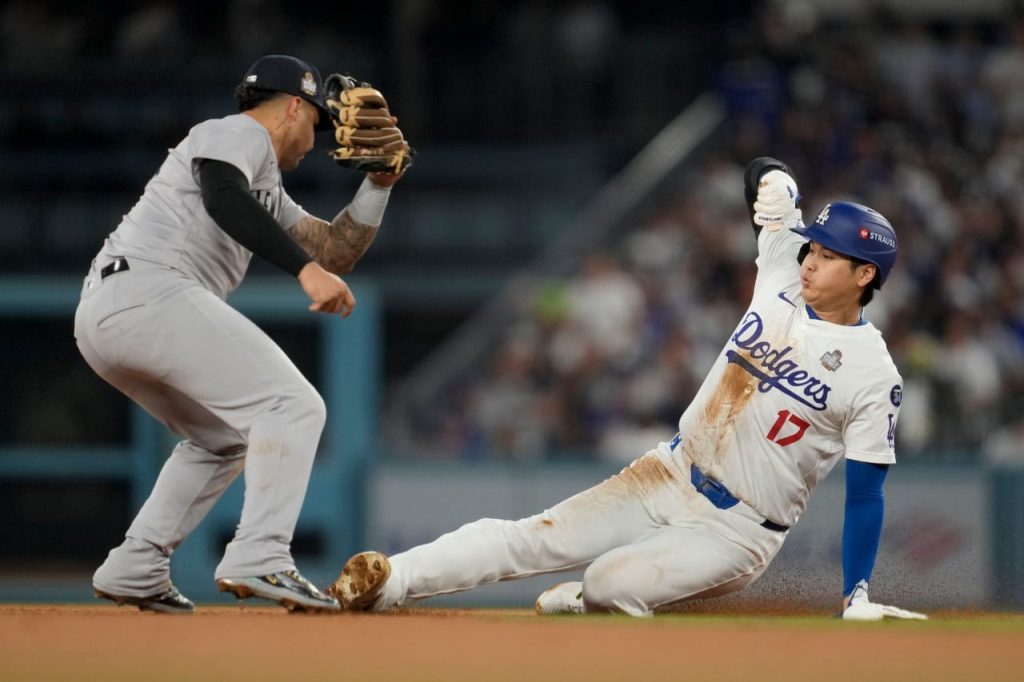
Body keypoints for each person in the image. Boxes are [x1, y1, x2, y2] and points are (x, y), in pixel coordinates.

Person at [328, 158, 927, 621]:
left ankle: (588, 604)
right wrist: (774, 181)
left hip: (737, 531)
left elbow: (866, 494)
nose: (809, 262)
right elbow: (761, 173)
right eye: (813, 249)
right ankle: (389, 581)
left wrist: (856, 593)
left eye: (828, 257)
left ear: (865, 273)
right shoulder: (781, 271)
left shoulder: (873, 373)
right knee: (532, 537)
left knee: (609, 584)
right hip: (668, 471)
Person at [76, 54, 405, 613]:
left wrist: (378, 184)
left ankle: (137, 563)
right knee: (294, 405)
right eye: (317, 124)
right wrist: (304, 272)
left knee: (223, 439)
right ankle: (261, 554)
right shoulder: (237, 133)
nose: (316, 138)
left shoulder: (265, 184)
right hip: (150, 292)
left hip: (115, 314)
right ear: (294, 108)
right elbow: (222, 196)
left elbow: (333, 251)